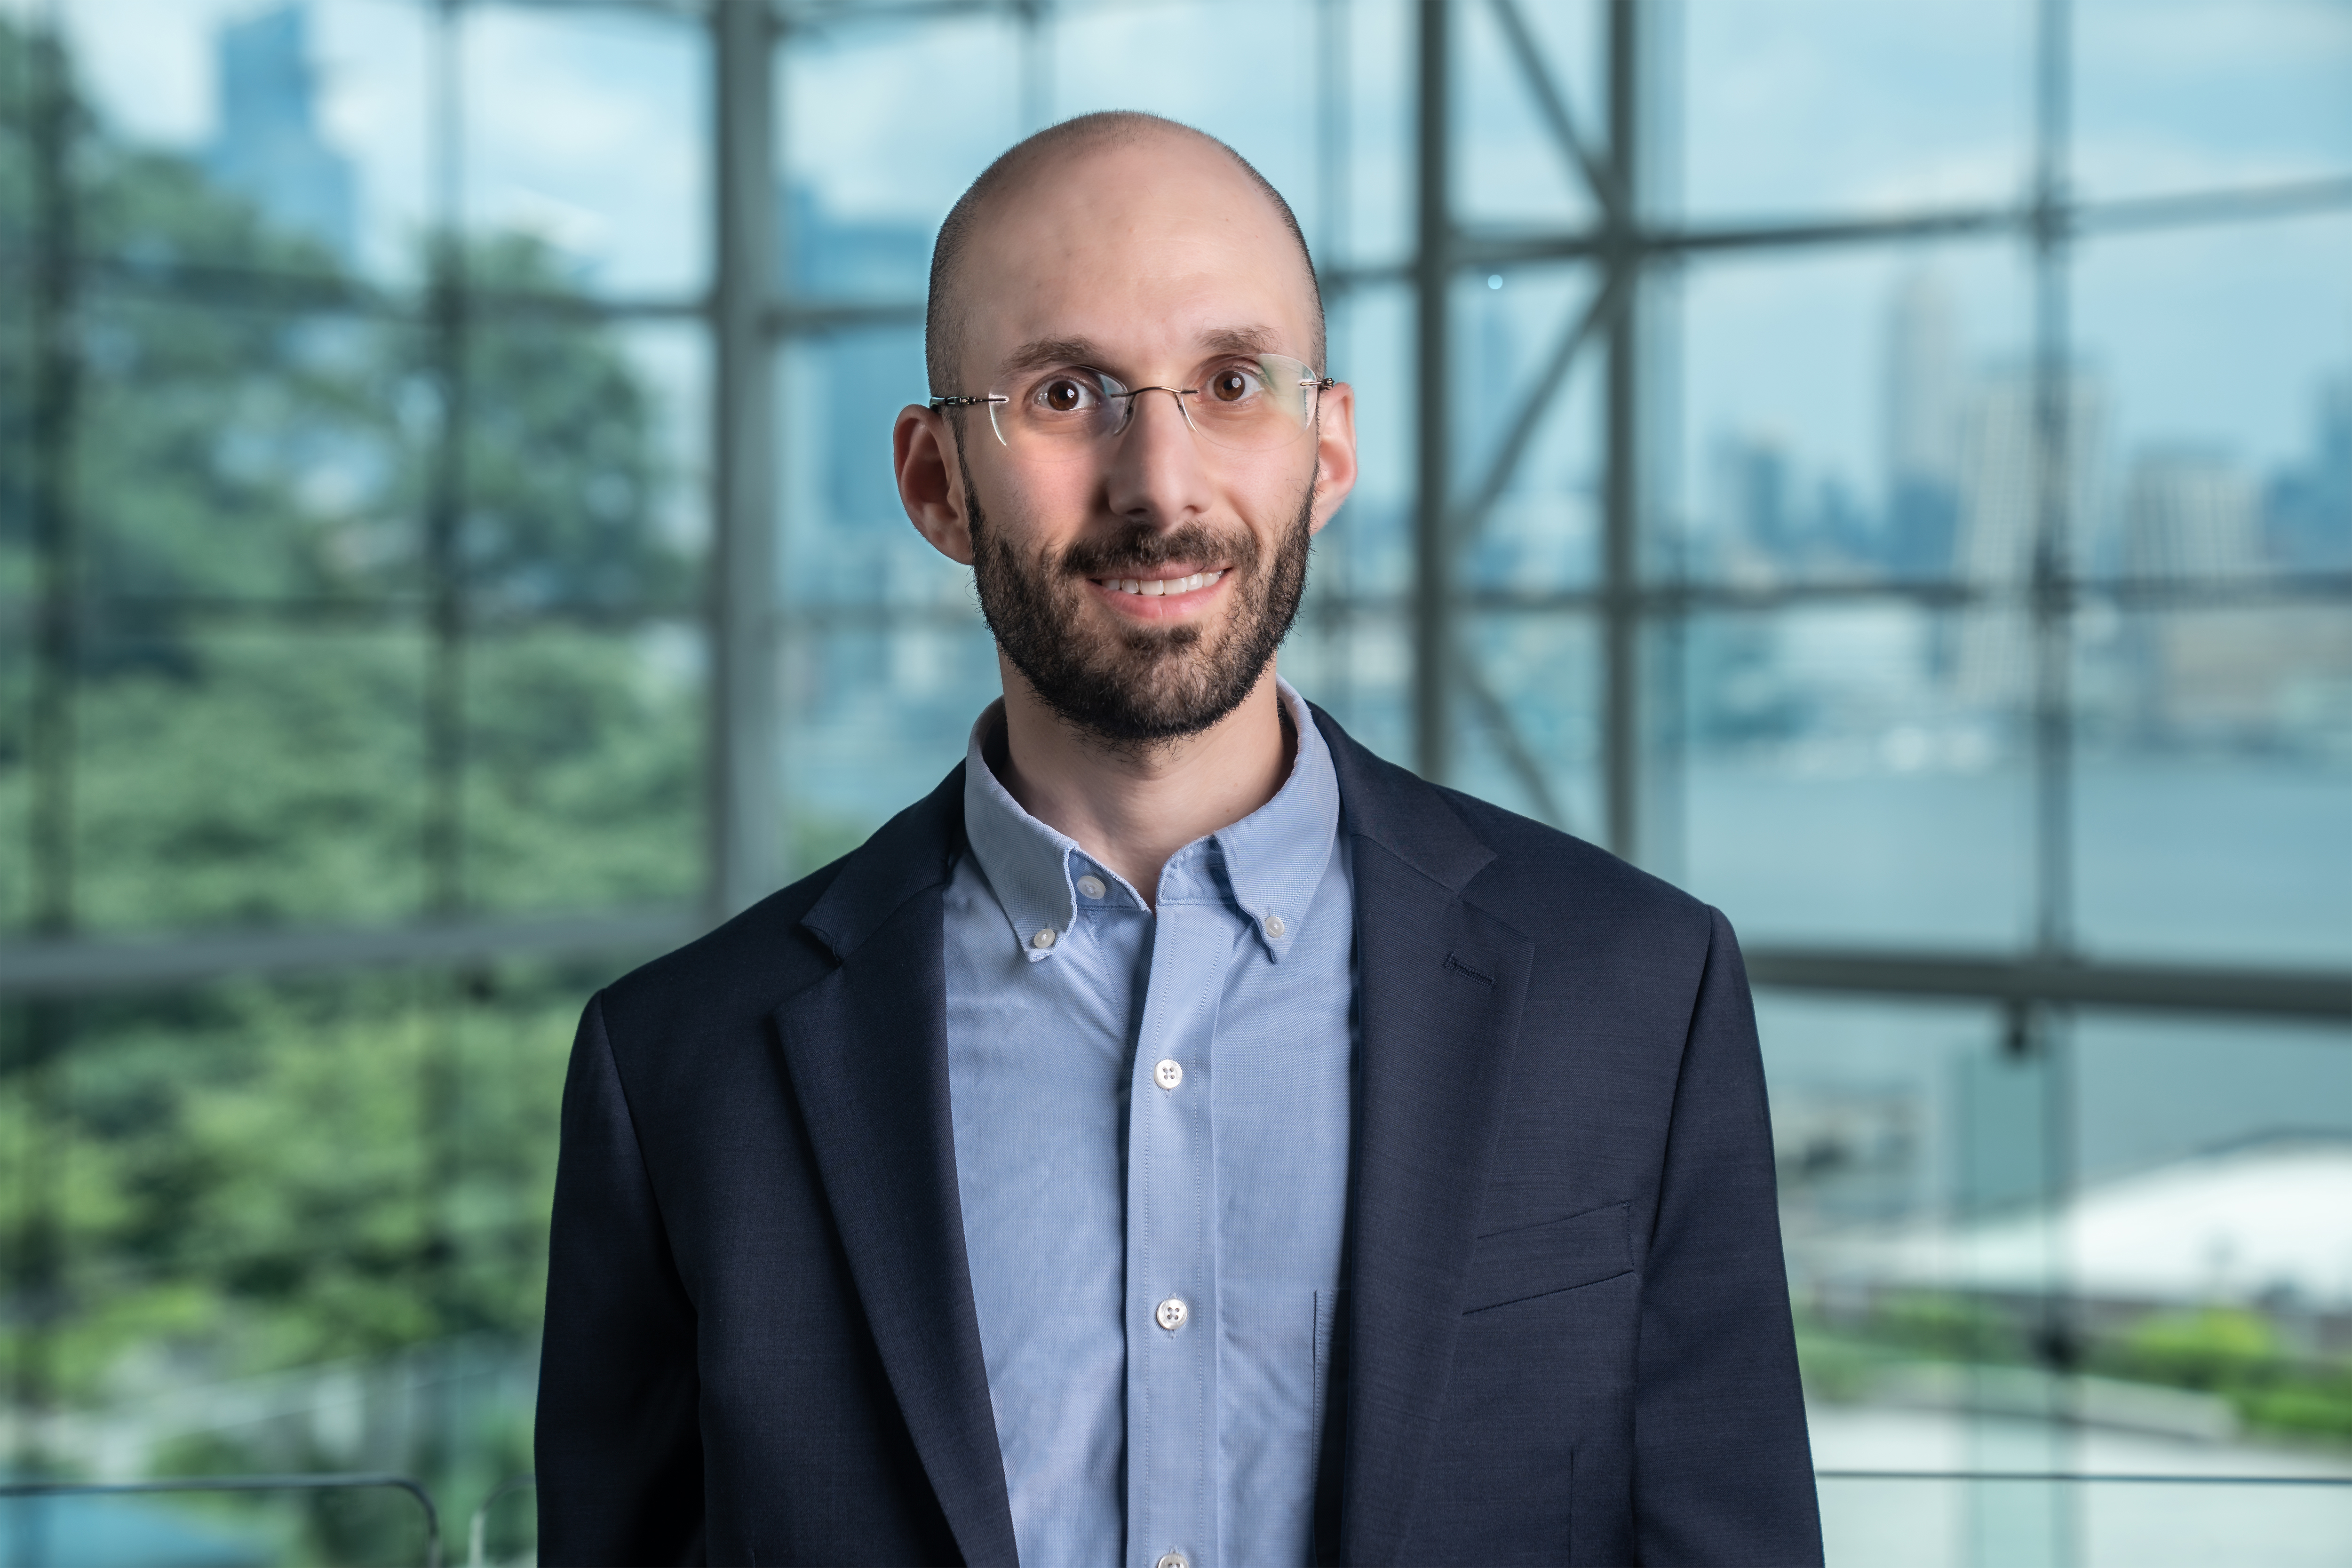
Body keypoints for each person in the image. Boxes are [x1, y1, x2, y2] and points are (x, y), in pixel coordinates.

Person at [536, 111, 1820, 1568]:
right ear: (936, 482)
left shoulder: (1638, 994)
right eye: (1067, 391)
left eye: (1230, 383)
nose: (1161, 484)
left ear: (1325, 450)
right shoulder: (682, 1068)